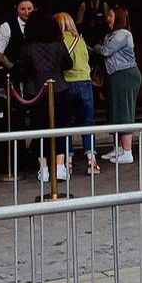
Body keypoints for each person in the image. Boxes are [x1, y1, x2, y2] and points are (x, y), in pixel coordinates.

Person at [17, 11, 73, 183]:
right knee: (60, 128)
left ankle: (44, 169)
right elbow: (68, 64)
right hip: (59, 88)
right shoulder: (58, 43)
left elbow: (22, 68)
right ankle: (60, 167)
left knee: (39, 129)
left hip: (35, 90)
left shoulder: (27, 46)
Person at [94, 6, 142, 164]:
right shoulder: (113, 34)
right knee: (115, 112)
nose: (108, 18)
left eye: (111, 16)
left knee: (124, 111)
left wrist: (96, 47)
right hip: (116, 76)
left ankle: (127, 152)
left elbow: (106, 51)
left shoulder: (123, 34)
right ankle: (119, 148)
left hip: (124, 75)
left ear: (119, 17)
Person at [56, 11, 98, 176]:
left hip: (66, 83)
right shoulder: (80, 41)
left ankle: (68, 161)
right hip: (85, 83)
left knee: (65, 122)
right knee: (87, 121)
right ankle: (91, 160)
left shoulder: (58, 42)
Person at [0, 0, 34, 72]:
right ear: (16, 9)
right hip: (14, 74)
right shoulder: (6, 26)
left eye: (29, 9)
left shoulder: (39, 26)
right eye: (23, 9)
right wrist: (13, 68)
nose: (27, 12)